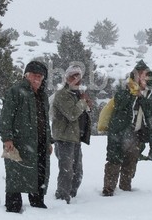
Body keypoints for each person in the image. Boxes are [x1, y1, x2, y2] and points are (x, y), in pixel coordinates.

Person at [0, 61, 53, 213]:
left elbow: (45, 121)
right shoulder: (15, 91)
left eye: (40, 77)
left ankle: (37, 203)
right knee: (16, 174)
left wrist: (49, 141)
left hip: (40, 142)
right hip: (19, 142)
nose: (37, 79)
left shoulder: (43, 96)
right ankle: (13, 207)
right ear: (26, 76)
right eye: (34, 76)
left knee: (39, 173)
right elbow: (6, 117)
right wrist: (7, 138)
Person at [102, 60, 152, 196]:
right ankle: (108, 190)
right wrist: (132, 93)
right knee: (114, 160)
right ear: (135, 75)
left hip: (136, 134)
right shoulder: (124, 90)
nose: (144, 77)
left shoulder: (150, 94)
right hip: (118, 131)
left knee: (130, 163)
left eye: (146, 74)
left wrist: (140, 97)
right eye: (142, 74)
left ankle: (125, 189)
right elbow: (120, 104)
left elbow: (150, 111)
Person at [51, 65, 92, 204]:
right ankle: (62, 198)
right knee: (66, 171)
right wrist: (83, 102)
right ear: (66, 78)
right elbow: (72, 114)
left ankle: (71, 195)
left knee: (77, 172)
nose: (76, 79)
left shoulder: (76, 94)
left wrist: (85, 104)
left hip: (75, 138)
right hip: (63, 138)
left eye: (78, 76)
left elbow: (82, 113)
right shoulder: (62, 94)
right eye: (72, 76)